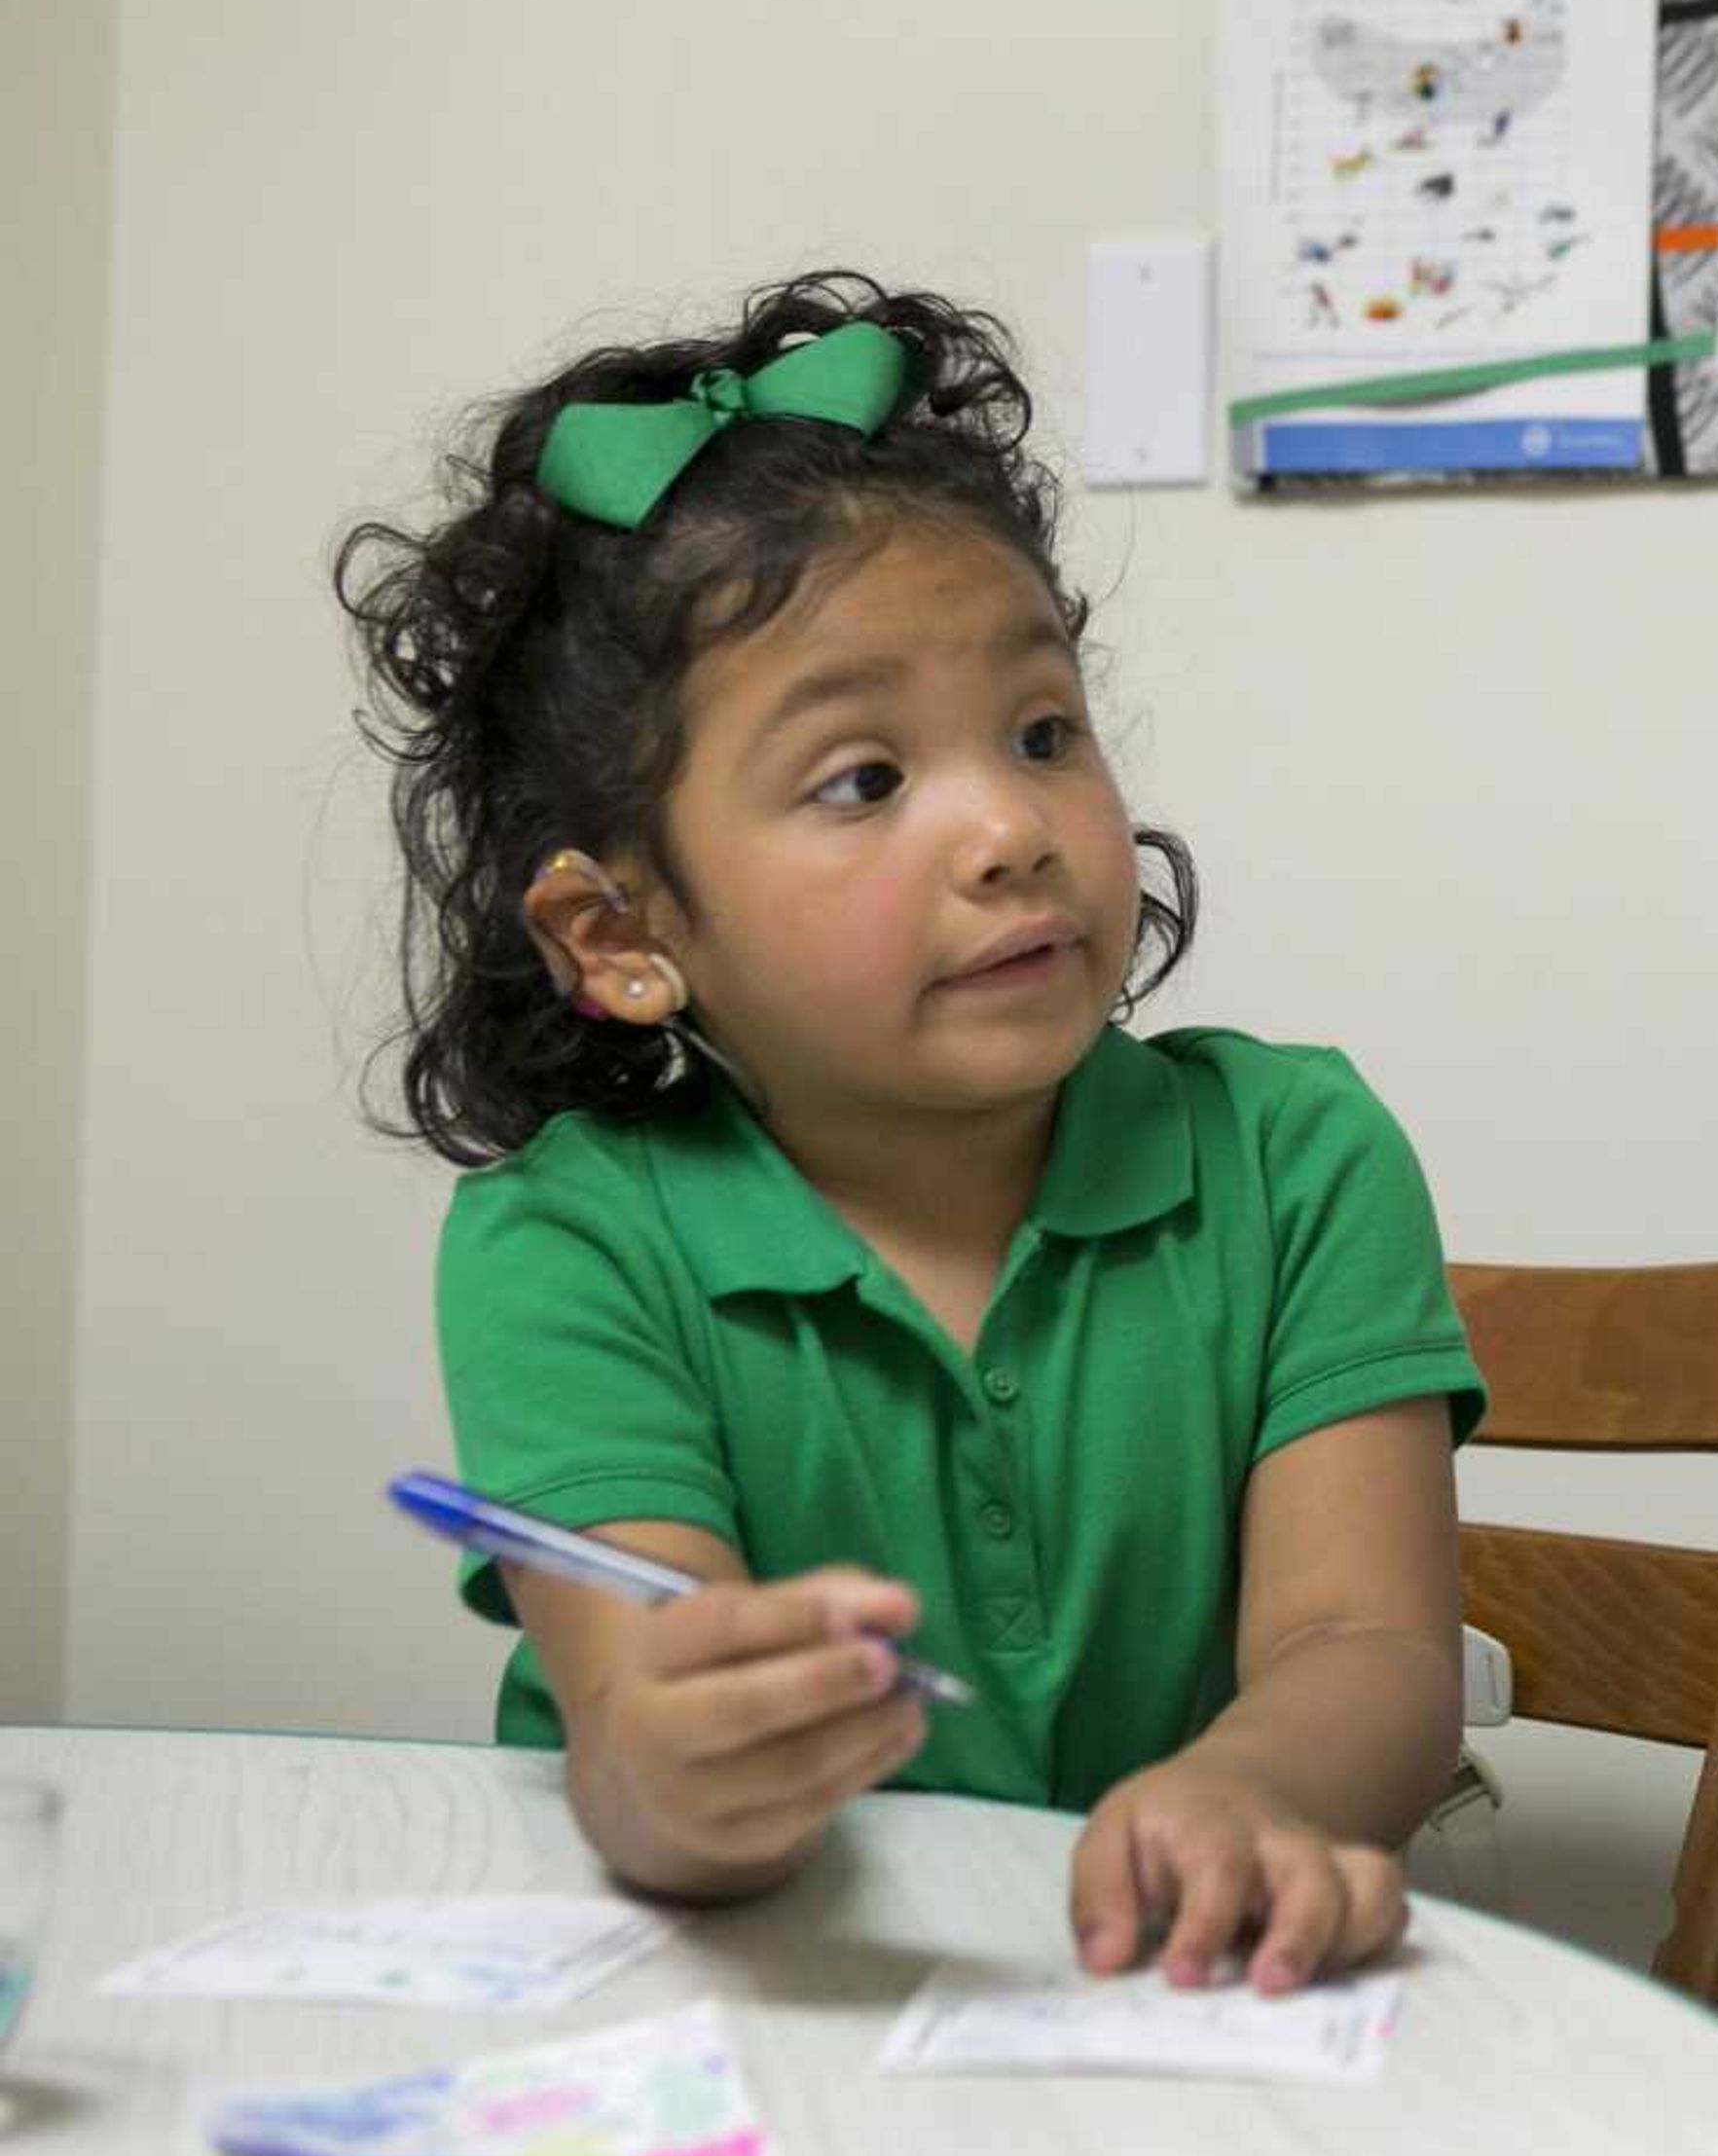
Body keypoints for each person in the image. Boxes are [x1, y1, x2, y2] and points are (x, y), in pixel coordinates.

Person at [339, 273, 1484, 1996]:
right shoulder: (572, 1240)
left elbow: (1368, 1645)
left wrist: (1244, 1793)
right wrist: (688, 1766)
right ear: (619, 937)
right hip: (744, 2023)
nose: (1013, 827)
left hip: (1159, 2022)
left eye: (1042, 731)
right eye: (864, 778)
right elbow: (636, 1734)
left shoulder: (1296, 1154)